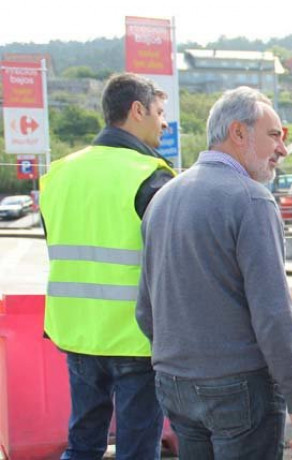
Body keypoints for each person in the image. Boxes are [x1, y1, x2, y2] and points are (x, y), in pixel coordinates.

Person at [135, 86, 292, 458]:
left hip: (175, 382)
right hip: (239, 389)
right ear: (238, 133)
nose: (282, 149)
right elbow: (273, 316)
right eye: (274, 136)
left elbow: (145, 308)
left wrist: (180, 362)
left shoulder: (163, 198)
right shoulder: (250, 199)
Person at [39, 73, 174, 459]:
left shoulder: (59, 174)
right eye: (159, 112)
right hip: (135, 337)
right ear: (137, 110)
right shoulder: (150, 175)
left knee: (82, 444)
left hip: (77, 333)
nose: (164, 122)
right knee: (136, 450)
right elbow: (172, 260)